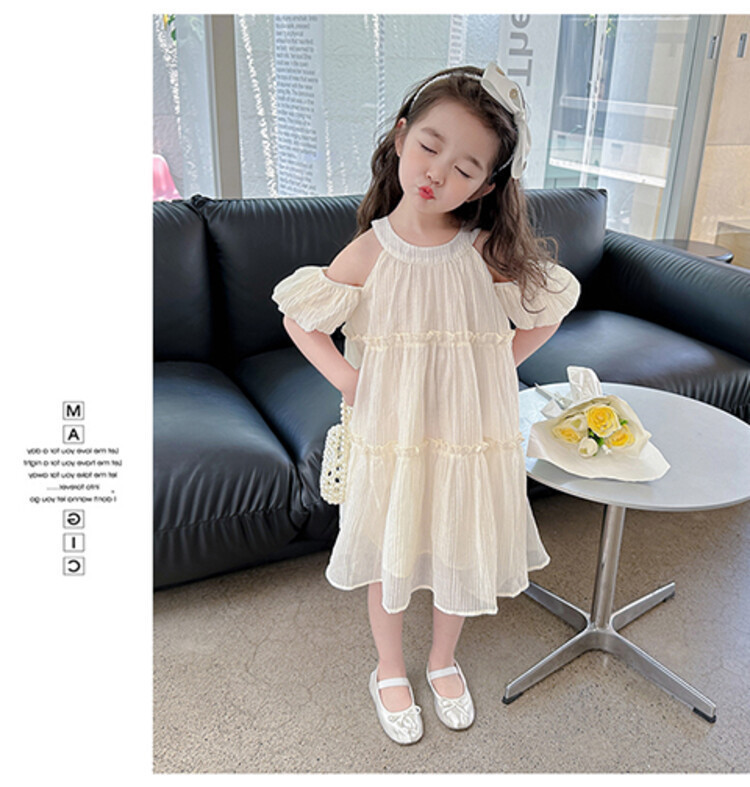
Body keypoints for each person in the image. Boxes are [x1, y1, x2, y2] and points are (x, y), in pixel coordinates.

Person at [271, 63, 580, 744]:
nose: (438, 172)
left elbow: (551, 304)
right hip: (393, 434)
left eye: (465, 168)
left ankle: (442, 660)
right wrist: (350, 382)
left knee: (456, 543)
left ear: (487, 186)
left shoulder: (484, 251)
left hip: (468, 434)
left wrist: (497, 363)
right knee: (389, 547)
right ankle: (388, 666)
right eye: (430, 147)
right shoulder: (371, 250)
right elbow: (301, 318)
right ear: (402, 137)